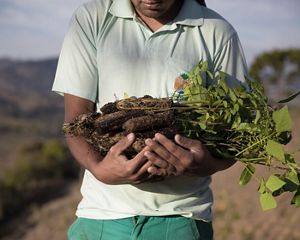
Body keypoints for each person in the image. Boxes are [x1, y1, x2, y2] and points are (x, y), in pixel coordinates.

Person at [52, 0, 248, 239]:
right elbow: (75, 119)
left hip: (180, 220)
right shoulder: (93, 18)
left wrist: (204, 164)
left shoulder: (216, 31)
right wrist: (100, 169)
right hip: (100, 218)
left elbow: (236, 135)